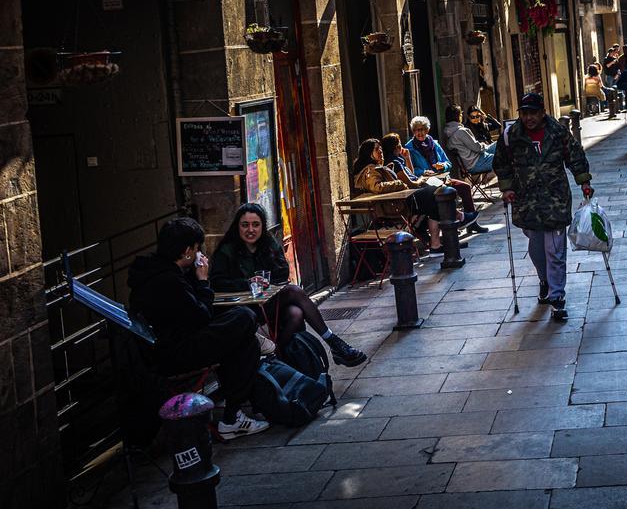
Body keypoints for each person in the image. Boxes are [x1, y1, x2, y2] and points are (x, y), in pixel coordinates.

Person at [128, 218, 269, 440]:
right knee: (245, 317)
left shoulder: (158, 273)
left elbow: (191, 312)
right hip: (176, 352)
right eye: (196, 249)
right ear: (186, 251)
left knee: (245, 341)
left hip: (171, 345)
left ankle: (233, 417)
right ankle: (232, 417)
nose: (197, 254)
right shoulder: (168, 281)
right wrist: (203, 280)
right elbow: (201, 316)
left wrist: (194, 278)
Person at [210, 203, 368, 364]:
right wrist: (248, 283)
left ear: (262, 226)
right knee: (293, 291)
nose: (250, 230)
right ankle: (333, 342)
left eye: (255, 225)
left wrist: (267, 280)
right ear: (237, 226)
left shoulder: (268, 243)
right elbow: (217, 283)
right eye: (245, 225)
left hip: (268, 305)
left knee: (296, 314)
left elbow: (283, 273)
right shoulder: (227, 251)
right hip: (245, 311)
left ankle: (276, 356)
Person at [494, 92, 593, 322]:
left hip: (555, 199)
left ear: (542, 112)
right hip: (526, 201)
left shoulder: (557, 132)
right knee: (537, 250)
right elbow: (501, 162)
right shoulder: (511, 135)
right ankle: (545, 280)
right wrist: (507, 188)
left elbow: (574, 156)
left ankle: (557, 298)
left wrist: (584, 181)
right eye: (524, 113)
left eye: (533, 113)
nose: (528, 118)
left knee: (555, 251)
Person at [352, 138, 449, 251]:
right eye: (376, 150)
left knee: (434, 197)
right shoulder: (370, 170)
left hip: (397, 204)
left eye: (381, 149)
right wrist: (399, 183)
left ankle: (435, 242)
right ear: (369, 154)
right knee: (433, 195)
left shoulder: (375, 168)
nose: (380, 152)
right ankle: (439, 240)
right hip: (394, 208)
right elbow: (377, 187)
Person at [384, 132, 485, 234]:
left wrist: (442, 166)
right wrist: (423, 174)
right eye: (418, 129)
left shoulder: (434, 144)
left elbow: (447, 163)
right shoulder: (408, 149)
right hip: (420, 186)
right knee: (442, 193)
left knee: (463, 187)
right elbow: (412, 179)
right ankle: (456, 222)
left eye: (423, 129)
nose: (420, 132)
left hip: (437, 178)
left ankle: (468, 223)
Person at [444, 104, 496, 173]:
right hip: (477, 162)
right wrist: (484, 144)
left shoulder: (447, 131)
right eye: (461, 114)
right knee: (504, 156)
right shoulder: (461, 131)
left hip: (471, 162)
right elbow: (478, 148)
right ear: (458, 116)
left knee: (499, 146)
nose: (462, 116)